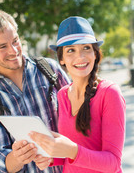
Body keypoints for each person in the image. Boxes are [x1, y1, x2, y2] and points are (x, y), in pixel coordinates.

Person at [0, 9, 70, 173]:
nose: (13, 50)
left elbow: (81, 116)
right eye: (3, 46)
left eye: (15, 41)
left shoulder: (49, 69)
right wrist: (16, 158)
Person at [29, 16, 126, 173]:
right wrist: (51, 158)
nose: (80, 57)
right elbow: (72, 154)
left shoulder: (109, 93)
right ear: (61, 59)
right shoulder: (62, 95)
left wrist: (72, 150)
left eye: (86, 48)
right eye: (71, 50)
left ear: (95, 53)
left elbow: (113, 163)